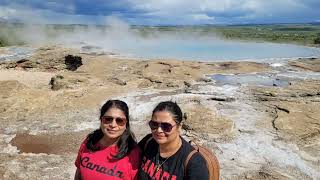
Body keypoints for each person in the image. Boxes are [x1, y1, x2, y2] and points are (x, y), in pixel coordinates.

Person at [138, 101, 209, 180]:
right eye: (154, 124)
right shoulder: (148, 141)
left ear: (179, 127)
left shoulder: (194, 163)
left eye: (166, 126)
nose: (159, 130)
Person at [74, 100, 140, 180]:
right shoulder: (90, 141)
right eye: (108, 119)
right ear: (101, 120)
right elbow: (79, 171)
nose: (113, 125)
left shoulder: (133, 154)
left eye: (119, 121)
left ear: (126, 124)